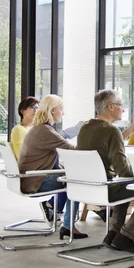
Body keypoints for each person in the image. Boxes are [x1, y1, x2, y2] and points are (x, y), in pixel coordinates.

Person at [77, 90, 134, 254]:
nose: (123, 109)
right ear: (110, 107)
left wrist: (128, 132)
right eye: (121, 105)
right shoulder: (111, 130)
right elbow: (123, 170)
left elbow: (104, 144)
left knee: (124, 185)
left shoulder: (86, 127)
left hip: (85, 188)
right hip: (106, 189)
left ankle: (113, 233)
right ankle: (126, 237)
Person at [18, 95, 88, 240]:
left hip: (29, 178)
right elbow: (73, 150)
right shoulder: (45, 131)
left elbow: (47, 156)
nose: (63, 113)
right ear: (52, 111)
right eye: (61, 109)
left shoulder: (40, 128)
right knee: (76, 181)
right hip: (34, 181)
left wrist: (61, 167)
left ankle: (53, 208)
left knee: (68, 177)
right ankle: (68, 226)